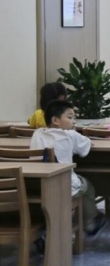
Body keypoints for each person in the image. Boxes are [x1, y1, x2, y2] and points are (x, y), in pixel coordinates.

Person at [30, 100, 106, 236]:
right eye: (70, 117)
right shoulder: (70, 135)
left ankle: (44, 227)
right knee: (87, 186)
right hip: (63, 186)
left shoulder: (37, 133)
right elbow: (86, 147)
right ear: (55, 120)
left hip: (37, 186)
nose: (74, 121)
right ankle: (89, 222)